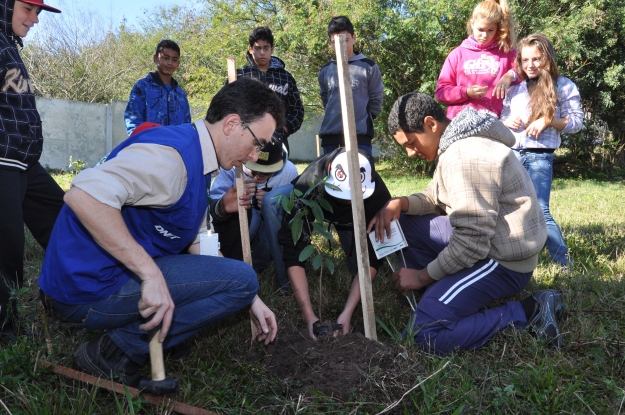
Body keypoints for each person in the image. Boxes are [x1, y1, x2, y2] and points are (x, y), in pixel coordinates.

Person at [38, 77, 282, 386]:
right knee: (244, 278)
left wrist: (251, 299)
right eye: (257, 143)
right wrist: (151, 275)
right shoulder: (172, 159)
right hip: (86, 290)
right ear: (232, 124)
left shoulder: (199, 156)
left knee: (242, 281)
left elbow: (199, 236)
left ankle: (139, 338)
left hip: (103, 277)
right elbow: (82, 197)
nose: (253, 156)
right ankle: (114, 351)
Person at [369, 92, 563, 355]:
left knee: (423, 335)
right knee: (402, 221)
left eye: (412, 143)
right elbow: (434, 197)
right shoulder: (455, 144)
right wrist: (400, 203)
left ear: (430, 124)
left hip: (501, 261)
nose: (410, 153)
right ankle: (439, 294)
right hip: (490, 240)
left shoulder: (463, 157)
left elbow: (471, 244)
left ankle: (530, 312)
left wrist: (420, 276)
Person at [266, 149, 391, 339]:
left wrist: (347, 312)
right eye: (343, 195)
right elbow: (293, 247)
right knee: (271, 204)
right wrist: (309, 317)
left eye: (353, 198)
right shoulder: (309, 184)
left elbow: (373, 257)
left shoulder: (377, 194)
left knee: (357, 267)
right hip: (316, 198)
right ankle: (286, 285)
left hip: (352, 222)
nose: (348, 201)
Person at [0, 0, 65, 341]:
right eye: (28, 8)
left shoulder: (8, 45)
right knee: (6, 250)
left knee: (66, 220)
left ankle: (66, 299)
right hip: (2, 161)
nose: (35, 19)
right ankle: (5, 333)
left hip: (25, 161)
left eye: (39, 12)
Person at [501, 34, 583, 268]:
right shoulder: (515, 88)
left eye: (536, 59)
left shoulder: (563, 85)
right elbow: (502, 115)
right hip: (513, 154)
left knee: (539, 210)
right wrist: (507, 121)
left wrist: (548, 120)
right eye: (525, 60)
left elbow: (577, 123)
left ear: (547, 58)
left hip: (539, 156)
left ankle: (564, 262)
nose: (530, 65)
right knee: (510, 209)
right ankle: (514, 258)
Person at [209, 140, 298, 288]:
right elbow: (213, 205)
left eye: (267, 170)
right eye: (254, 170)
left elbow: (294, 213)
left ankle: (260, 265)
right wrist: (232, 195)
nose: (259, 176)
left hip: (270, 232)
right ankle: (233, 265)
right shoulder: (232, 167)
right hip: (238, 229)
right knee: (253, 217)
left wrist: (275, 204)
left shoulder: (289, 172)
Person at [435, 0, 518, 119]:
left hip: (495, 124)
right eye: (481, 29)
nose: (485, 35)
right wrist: (466, 92)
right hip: (460, 124)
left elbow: (528, 72)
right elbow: (441, 92)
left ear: (498, 28)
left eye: (490, 30)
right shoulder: (457, 54)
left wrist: (510, 75)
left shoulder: (507, 52)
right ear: (472, 24)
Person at [318, 16, 384, 155]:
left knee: (361, 176)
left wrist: (362, 120)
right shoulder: (325, 70)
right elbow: (326, 99)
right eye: (335, 42)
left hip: (360, 137)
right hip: (331, 137)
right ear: (330, 43)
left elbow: (376, 100)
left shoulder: (368, 66)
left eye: (345, 40)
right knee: (331, 176)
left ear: (353, 38)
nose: (341, 45)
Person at [234, 27, 304, 154]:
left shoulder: (285, 77)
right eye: (257, 48)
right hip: (244, 143)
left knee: (280, 172)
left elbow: (297, 110)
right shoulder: (238, 76)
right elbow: (227, 109)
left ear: (272, 48)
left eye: (266, 48)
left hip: (277, 142)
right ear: (250, 49)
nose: (262, 52)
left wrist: (285, 129)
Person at [124, 39, 191, 136]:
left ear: (178, 64)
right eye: (165, 58)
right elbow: (133, 122)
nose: (170, 63)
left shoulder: (181, 95)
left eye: (174, 60)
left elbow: (186, 127)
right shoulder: (142, 87)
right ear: (155, 58)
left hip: (174, 148)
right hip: (149, 147)